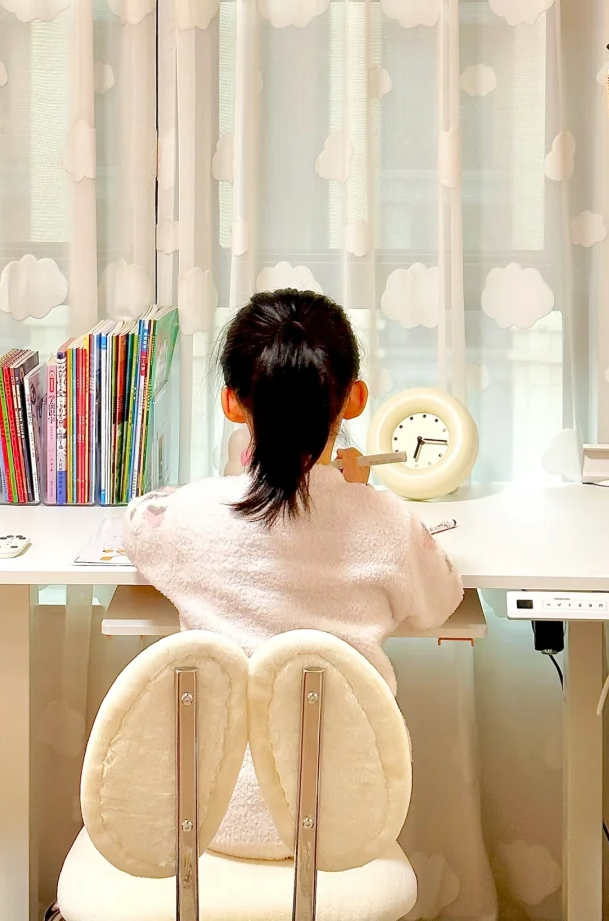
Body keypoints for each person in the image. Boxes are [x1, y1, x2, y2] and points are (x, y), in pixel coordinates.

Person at [122, 288, 463, 859]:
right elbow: (441, 600)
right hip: (343, 824)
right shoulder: (388, 524)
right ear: (355, 399)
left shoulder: (189, 516)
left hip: (206, 817)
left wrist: (194, 493)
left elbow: (138, 525)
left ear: (232, 404)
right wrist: (361, 496)